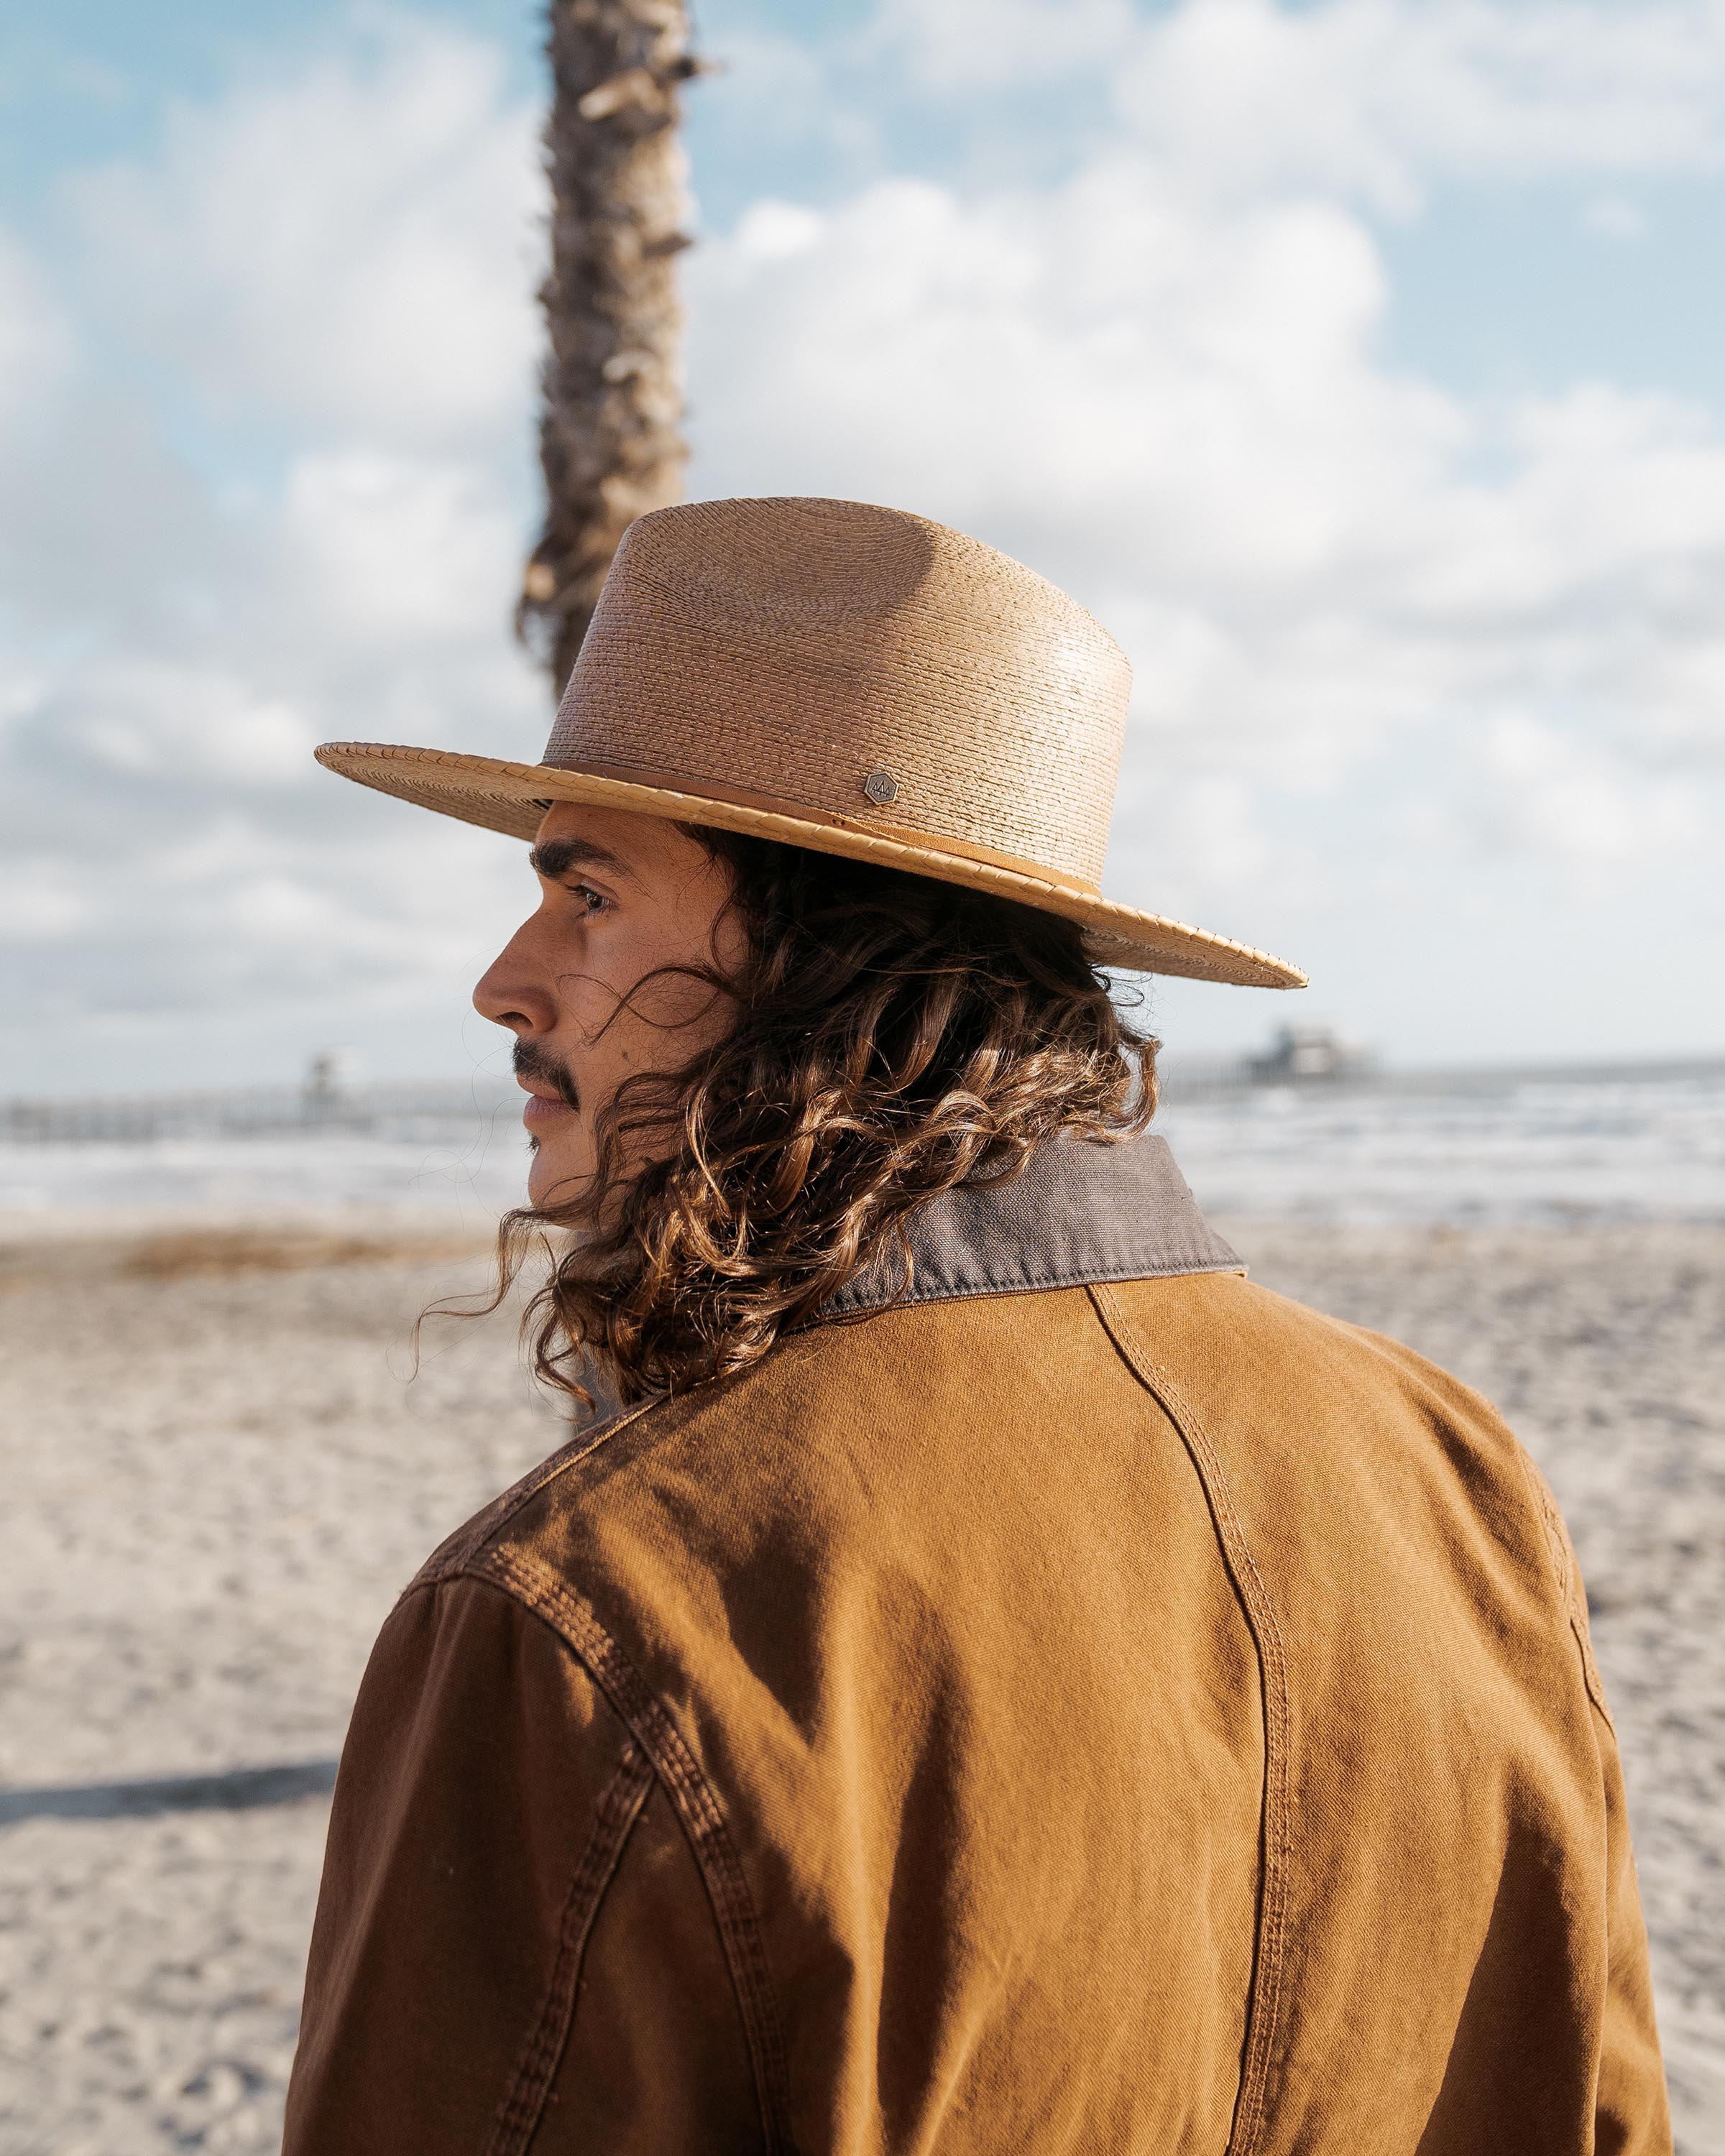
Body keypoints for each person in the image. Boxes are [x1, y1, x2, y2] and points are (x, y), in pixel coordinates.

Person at [285, 498, 1669, 2154]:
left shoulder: (597, 1609)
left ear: (825, 956)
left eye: (586, 894)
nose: (506, 980)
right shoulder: (1452, 1470)